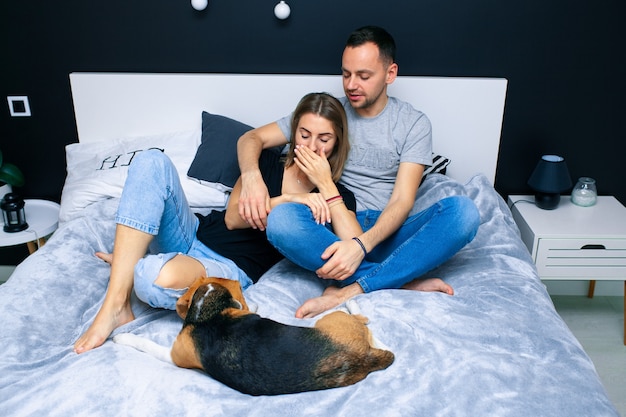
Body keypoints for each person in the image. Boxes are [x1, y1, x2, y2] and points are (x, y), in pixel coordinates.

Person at [74, 92, 356, 354]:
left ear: (337, 142)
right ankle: (116, 305)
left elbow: (356, 245)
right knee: (151, 161)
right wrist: (288, 199)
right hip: (192, 233)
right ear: (294, 134)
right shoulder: (267, 164)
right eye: (304, 135)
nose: (311, 147)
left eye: (324, 139)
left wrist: (325, 186)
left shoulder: (338, 198)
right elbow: (233, 219)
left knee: (149, 276)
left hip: (229, 266)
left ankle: (130, 263)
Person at [237, 26, 481, 319]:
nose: (352, 84)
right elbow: (250, 139)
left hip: (387, 231)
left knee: (463, 213)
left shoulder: (413, 123)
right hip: (330, 226)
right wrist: (252, 178)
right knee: (281, 219)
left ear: (390, 74)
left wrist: (360, 246)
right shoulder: (327, 114)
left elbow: (402, 201)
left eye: (364, 76)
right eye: (346, 74)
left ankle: (350, 290)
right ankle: (400, 281)